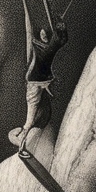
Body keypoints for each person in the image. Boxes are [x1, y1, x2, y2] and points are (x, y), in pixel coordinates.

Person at [16, 19, 68, 151]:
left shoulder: (49, 48)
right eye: (42, 34)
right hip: (35, 83)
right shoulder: (39, 46)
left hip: (43, 83)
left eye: (46, 34)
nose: (43, 36)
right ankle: (24, 138)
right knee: (31, 113)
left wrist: (61, 29)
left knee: (42, 111)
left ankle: (32, 134)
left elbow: (60, 42)